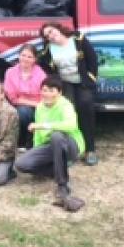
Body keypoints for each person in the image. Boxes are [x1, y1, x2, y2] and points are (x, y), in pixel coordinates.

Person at [15, 77, 86, 211]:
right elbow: (38, 134)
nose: (47, 94)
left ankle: (62, 185)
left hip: (70, 144)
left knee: (56, 136)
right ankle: (58, 169)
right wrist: (36, 151)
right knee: (21, 164)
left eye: (51, 90)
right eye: (44, 90)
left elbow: (71, 125)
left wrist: (43, 125)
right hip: (49, 145)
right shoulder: (40, 106)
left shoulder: (65, 105)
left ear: (59, 93)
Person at [39, 22, 100, 166]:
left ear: (58, 29)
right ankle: (70, 151)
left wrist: (90, 78)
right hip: (65, 83)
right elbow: (45, 66)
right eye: (47, 35)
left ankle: (90, 150)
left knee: (86, 105)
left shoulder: (78, 39)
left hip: (83, 81)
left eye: (51, 31)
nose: (50, 36)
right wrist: (55, 84)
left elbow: (93, 59)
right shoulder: (48, 49)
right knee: (68, 110)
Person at [4, 44, 47, 145]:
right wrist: (33, 103)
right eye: (23, 55)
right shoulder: (10, 72)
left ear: (34, 59)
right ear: (18, 56)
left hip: (40, 107)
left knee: (26, 112)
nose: (26, 59)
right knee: (22, 111)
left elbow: (45, 96)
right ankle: (25, 140)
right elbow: (13, 98)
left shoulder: (41, 74)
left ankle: (31, 138)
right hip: (19, 106)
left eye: (29, 57)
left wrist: (34, 103)